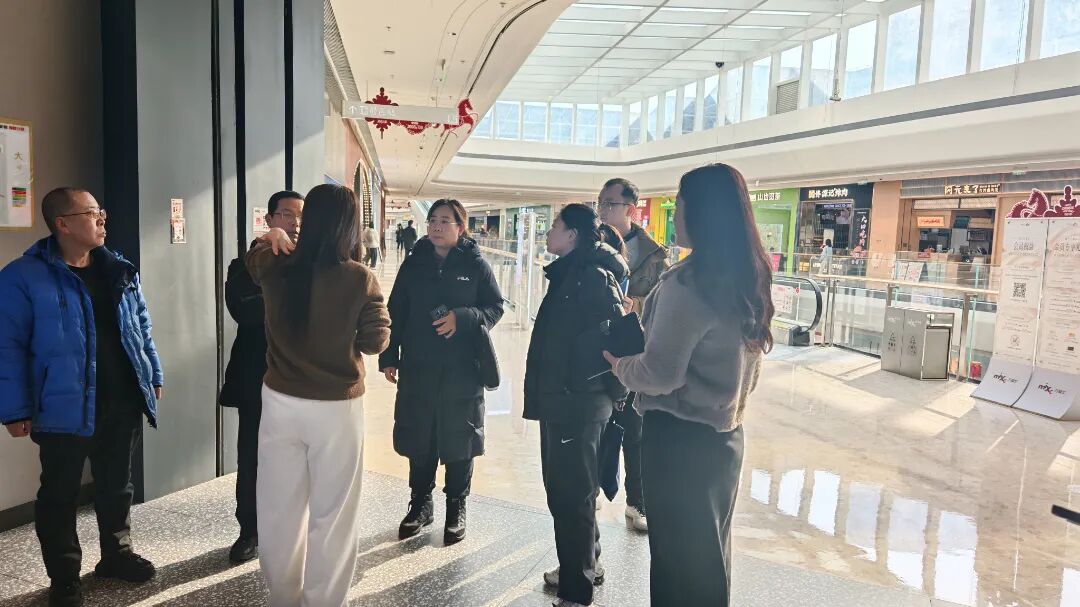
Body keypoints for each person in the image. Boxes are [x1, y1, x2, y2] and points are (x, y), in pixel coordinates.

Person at [603, 163, 774, 606]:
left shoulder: (688, 283)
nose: (674, 213)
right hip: (725, 438)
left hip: (678, 440)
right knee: (708, 558)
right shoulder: (747, 274)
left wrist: (621, 365)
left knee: (677, 562)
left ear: (701, 212)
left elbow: (661, 373)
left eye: (680, 203)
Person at [0, 187, 164, 607]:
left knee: (117, 486)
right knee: (59, 495)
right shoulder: (21, 277)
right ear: (63, 224)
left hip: (122, 399)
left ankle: (116, 555)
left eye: (101, 211)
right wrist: (14, 409)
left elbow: (141, 326)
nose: (102, 219)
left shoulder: (119, 268)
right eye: (92, 213)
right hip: (62, 407)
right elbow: (7, 346)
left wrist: (152, 374)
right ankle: (64, 578)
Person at [245, 184, 390, 607]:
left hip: (280, 401)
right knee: (334, 513)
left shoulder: (274, 263)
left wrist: (270, 236)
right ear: (348, 226)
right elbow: (375, 342)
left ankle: (283, 597)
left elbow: (253, 257)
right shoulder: (358, 278)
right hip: (336, 408)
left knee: (279, 509)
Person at [379, 199, 504, 544]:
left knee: (460, 437)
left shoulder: (475, 264)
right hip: (418, 365)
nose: (436, 226)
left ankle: (456, 506)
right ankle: (421, 503)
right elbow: (396, 309)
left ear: (460, 228)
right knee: (420, 436)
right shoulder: (414, 262)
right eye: (432, 220)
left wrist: (463, 318)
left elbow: (495, 307)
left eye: (444, 221)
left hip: (462, 368)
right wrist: (389, 354)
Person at [524, 203, 628, 607]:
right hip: (563, 399)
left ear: (572, 235)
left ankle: (576, 590)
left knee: (572, 497)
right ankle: (586, 564)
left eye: (555, 225)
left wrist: (612, 394)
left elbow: (617, 339)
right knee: (570, 492)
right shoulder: (571, 274)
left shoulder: (592, 278)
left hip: (577, 403)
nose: (549, 232)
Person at [219, 190, 304, 564]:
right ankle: (249, 530)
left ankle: (288, 528)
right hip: (258, 377)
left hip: (301, 382)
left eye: (301, 216)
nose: (295, 223)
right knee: (252, 456)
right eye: (286, 215)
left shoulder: (314, 264)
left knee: (297, 459)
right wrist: (265, 254)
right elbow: (248, 313)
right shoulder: (244, 266)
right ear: (269, 220)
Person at [596, 177, 667, 533]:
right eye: (600, 203)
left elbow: (661, 300)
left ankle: (637, 501)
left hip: (635, 349)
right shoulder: (591, 243)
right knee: (594, 422)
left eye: (610, 204)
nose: (603, 210)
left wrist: (634, 305)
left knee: (635, 430)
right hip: (597, 346)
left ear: (631, 209)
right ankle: (591, 489)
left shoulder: (654, 255)